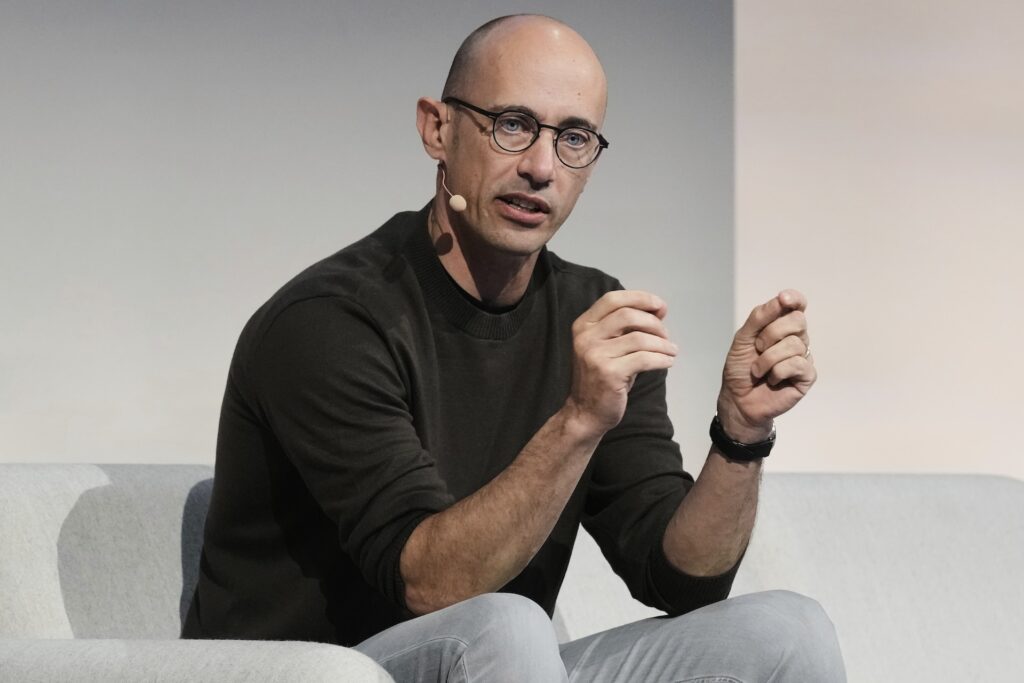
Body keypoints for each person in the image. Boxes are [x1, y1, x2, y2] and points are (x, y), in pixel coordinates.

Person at [183, 14, 846, 682]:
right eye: (513, 124)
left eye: (573, 137)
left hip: (499, 665)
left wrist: (740, 434)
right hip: (316, 670)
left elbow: (679, 578)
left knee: (788, 630)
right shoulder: (330, 321)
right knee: (504, 624)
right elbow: (429, 585)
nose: (540, 167)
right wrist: (577, 421)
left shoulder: (591, 317)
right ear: (436, 129)